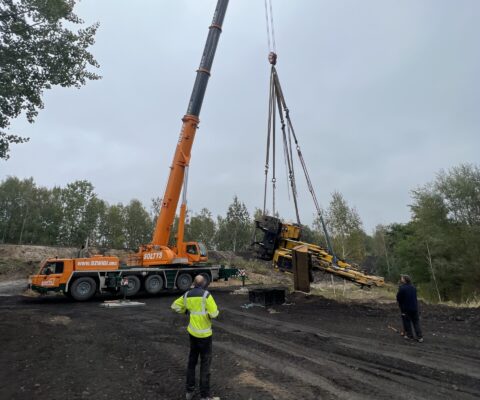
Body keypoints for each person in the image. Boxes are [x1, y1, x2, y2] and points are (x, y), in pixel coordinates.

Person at [171, 275, 219, 400]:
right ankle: (205, 395)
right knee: (205, 365)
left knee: (192, 362)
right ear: (203, 283)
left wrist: (186, 311)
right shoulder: (206, 295)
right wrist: (207, 316)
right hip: (205, 336)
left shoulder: (187, 295)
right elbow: (214, 313)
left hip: (192, 334)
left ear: (194, 283)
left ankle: (189, 391)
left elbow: (175, 306)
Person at [396, 274, 423, 342]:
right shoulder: (413, 287)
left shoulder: (402, 288)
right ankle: (420, 337)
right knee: (416, 322)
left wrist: (401, 305)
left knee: (407, 322)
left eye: (402, 278)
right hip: (414, 307)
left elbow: (398, 298)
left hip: (406, 308)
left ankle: (409, 336)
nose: (401, 279)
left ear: (404, 280)